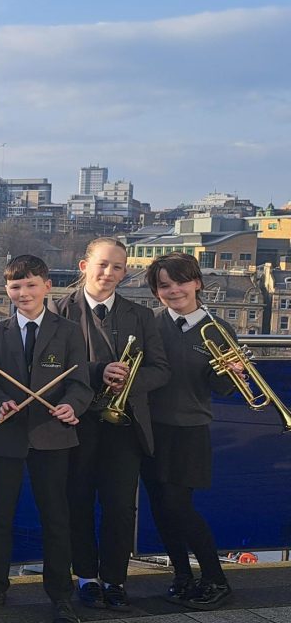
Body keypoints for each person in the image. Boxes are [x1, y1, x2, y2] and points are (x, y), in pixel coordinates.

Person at [0, 255, 92, 623]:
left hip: (53, 437)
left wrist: (71, 406)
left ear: (47, 286)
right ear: (7, 289)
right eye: (16, 286)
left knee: (56, 518)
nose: (23, 292)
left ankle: (61, 595)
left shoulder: (69, 332)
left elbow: (80, 383)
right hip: (6, 437)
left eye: (31, 285)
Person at [50, 238, 168, 611]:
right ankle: (86, 578)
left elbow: (161, 370)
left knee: (120, 507)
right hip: (76, 422)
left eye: (118, 266)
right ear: (84, 266)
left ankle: (115, 580)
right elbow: (49, 367)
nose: (109, 272)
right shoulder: (58, 310)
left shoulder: (141, 315)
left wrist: (130, 380)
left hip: (124, 424)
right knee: (78, 501)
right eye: (103, 264)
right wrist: (99, 371)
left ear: (125, 272)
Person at [141, 252, 237, 611]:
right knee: (160, 508)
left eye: (181, 281)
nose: (174, 290)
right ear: (156, 292)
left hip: (189, 429)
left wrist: (233, 373)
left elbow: (221, 388)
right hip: (150, 428)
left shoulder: (219, 330)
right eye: (164, 285)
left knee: (178, 506)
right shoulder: (149, 324)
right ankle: (182, 576)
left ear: (197, 282)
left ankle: (216, 578)